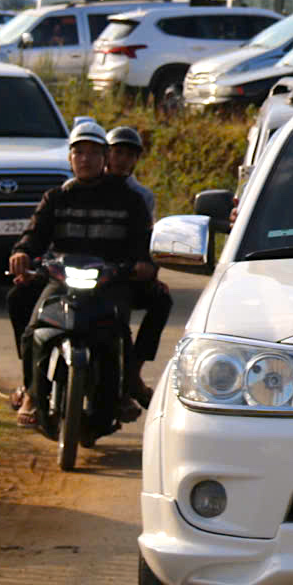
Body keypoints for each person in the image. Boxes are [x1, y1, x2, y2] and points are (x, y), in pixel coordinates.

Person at [5, 121, 155, 428]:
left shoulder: (130, 200)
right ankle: (32, 393)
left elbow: (144, 243)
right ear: (70, 158)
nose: (85, 159)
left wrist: (143, 264)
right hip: (61, 279)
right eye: (78, 152)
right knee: (35, 327)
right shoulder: (56, 197)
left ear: (105, 158)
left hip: (109, 281)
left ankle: (123, 391)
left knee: (119, 330)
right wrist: (22, 253)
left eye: (93, 153)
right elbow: (34, 235)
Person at [106, 125, 172, 407]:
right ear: (106, 155)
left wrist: (150, 270)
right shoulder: (86, 186)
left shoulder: (141, 196)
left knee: (162, 299)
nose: (122, 160)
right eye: (117, 152)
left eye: (129, 155)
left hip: (125, 272)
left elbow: (147, 239)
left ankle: (133, 373)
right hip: (90, 271)